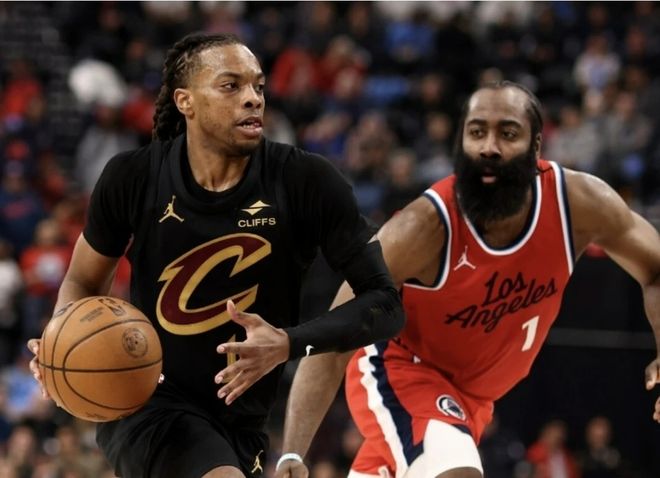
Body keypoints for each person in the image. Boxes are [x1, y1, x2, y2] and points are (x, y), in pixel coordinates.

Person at [26, 32, 405, 478]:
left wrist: (288, 342)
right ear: (185, 101)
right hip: (149, 399)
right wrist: (61, 340)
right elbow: (84, 280)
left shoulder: (305, 181)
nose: (253, 98)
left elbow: (385, 303)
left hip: (243, 422)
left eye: (258, 86)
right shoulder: (133, 176)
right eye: (231, 86)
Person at [275, 81, 660, 478]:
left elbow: (656, 269)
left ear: (536, 147)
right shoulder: (423, 227)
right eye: (476, 132)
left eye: (507, 133)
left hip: (472, 398)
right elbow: (332, 339)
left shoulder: (578, 204)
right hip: (399, 368)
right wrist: (292, 454)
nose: (489, 147)